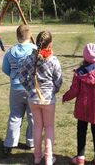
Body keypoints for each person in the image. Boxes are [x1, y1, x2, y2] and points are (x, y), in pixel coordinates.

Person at [62, 43, 95, 165]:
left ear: (84, 57)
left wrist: (66, 97)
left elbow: (74, 90)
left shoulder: (79, 73)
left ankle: (80, 157)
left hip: (83, 108)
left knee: (81, 130)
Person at [19, 31, 63, 165]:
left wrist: (30, 89)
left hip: (34, 99)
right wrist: (53, 90)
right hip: (48, 100)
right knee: (48, 127)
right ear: (50, 44)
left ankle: (37, 157)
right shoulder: (54, 60)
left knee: (37, 127)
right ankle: (48, 158)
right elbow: (59, 80)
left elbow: (21, 77)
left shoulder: (29, 58)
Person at [2, 24, 37, 155]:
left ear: (17, 36)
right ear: (30, 35)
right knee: (32, 116)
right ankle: (31, 142)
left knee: (15, 115)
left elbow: (5, 68)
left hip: (15, 87)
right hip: (31, 88)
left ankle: (9, 144)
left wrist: (14, 77)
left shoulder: (10, 51)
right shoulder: (35, 50)